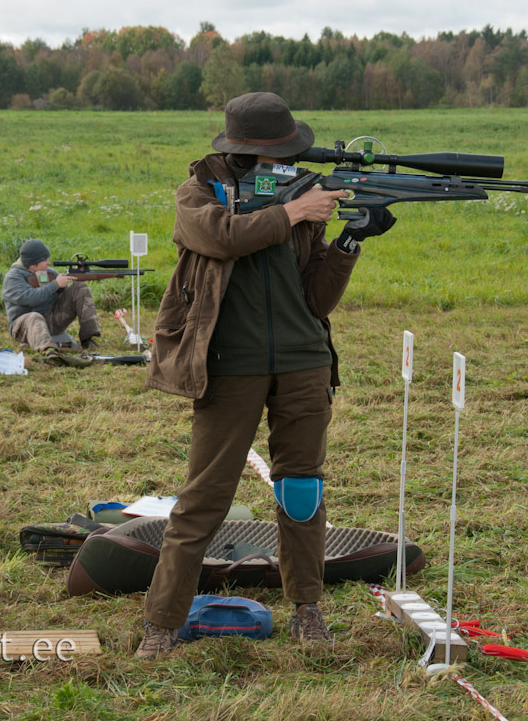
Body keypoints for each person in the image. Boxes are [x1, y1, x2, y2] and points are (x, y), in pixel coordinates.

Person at [136, 92, 396, 658]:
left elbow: (315, 299)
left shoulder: (299, 194)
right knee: (203, 498)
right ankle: (161, 623)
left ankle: (307, 609)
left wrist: (351, 239)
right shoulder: (199, 192)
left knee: (301, 489)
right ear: (239, 151)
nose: (286, 164)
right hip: (230, 365)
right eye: (275, 154)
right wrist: (294, 213)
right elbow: (222, 238)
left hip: (304, 362)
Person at [1, 238, 100, 367]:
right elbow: (30, 299)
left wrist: (77, 277)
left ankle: (88, 339)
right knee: (34, 316)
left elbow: (66, 295)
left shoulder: (50, 273)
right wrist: (55, 284)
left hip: (51, 320)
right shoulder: (13, 278)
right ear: (33, 264)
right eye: (45, 259)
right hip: (24, 326)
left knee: (80, 288)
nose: (49, 262)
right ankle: (49, 351)